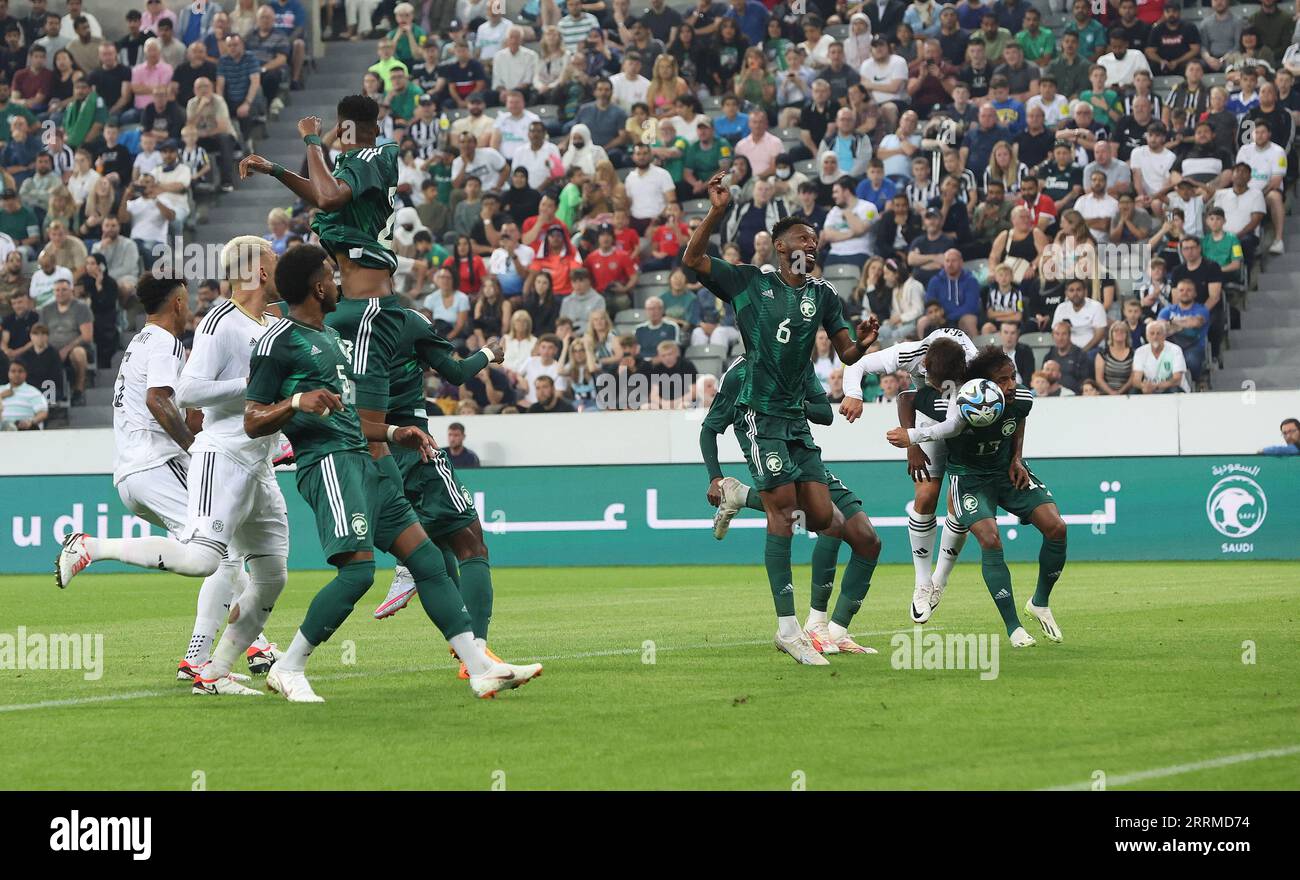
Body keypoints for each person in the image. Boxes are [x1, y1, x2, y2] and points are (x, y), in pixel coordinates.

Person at [241, 243, 541, 701]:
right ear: (317, 286)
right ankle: (289, 665)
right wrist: (296, 402)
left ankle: (480, 666)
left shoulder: (334, 340)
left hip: (371, 461)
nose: (338, 281)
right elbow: (252, 418)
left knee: (427, 561)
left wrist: (396, 431)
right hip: (331, 466)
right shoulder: (277, 341)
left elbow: (350, 416)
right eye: (331, 274)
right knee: (358, 575)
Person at [56, 242, 290, 688]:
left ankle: (247, 650)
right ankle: (93, 549)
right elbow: (160, 399)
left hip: (132, 469)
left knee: (221, 552)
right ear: (179, 301)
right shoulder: (165, 342)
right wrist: (195, 447)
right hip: (157, 462)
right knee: (213, 554)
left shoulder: (140, 341)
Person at [682, 169, 880, 666]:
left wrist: (865, 343)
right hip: (760, 414)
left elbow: (847, 354)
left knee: (822, 518)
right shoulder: (748, 282)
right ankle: (788, 627)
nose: (810, 246)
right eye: (800, 239)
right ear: (777, 246)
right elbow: (692, 259)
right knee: (783, 513)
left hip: (797, 421)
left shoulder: (825, 295)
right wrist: (717, 211)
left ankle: (740, 496)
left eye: (814, 240)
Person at [887, 346, 1068, 647]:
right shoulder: (955, 401)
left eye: (1013, 377)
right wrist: (911, 443)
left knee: (1057, 527)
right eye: (1003, 380)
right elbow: (906, 397)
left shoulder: (1020, 397)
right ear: (981, 383)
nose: (1011, 385)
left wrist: (1017, 458)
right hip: (969, 479)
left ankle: (1039, 602)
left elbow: (1019, 419)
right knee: (990, 539)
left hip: (1006, 472)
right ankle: (1013, 628)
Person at [705, 355, 882, 655]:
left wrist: (797, 403)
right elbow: (710, 428)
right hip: (776, 462)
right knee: (831, 523)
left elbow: (825, 414)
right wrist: (714, 476)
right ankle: (816, 624)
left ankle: (837, 632)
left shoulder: (799, 360)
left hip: (809, 459)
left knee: (868, 540)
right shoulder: (740, 373)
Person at [840, 328, 979, 621]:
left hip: (966, 424)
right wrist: (854, 393)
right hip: (928, 421)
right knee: (926, 496)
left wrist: (913, 437)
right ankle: (922, 583)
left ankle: (940, 580)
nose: (936, 385)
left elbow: (956, 424)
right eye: (932, 379)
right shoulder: (911, 352)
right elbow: (858, 363)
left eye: (943, 383)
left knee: (959, 507)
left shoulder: (975, 367)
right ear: (925, 363)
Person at [1132, 318, 1189, 393]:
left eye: (1158, 333)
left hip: (1170, 388)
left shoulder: (1175, 350)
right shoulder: (1140, 352)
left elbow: (1177, 379)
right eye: (1152, 333)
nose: (1155, 337)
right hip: (1150, 389)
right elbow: (1136, 380)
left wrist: (1156, 386)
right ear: (1147, 336)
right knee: (1134, 391)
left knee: (1173, 390)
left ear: (1164, 336)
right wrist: (1144, 386)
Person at [0, 359, 46, 429]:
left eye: (20, 371)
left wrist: (30, 422)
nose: (17, 374)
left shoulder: (33, 392)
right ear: (8, 373)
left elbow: (43, 413)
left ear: (25, 373)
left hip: (23, 431)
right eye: (13, 371)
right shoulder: (1, 390)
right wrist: (1, 396)